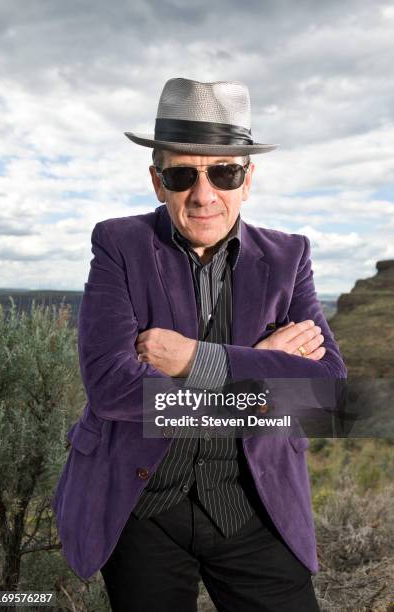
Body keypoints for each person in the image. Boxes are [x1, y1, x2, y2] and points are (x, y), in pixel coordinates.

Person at [51, 78, 346, 611]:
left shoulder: (288, 256)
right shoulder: (119, 245)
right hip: (141, 509)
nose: (204, 194)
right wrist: (269, 364)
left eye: (224, 172)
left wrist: (192, 358)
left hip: (256, 506)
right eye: (182, 173)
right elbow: (114, 391)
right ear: (157, 181)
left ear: (248, 179)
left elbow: (325, 398)